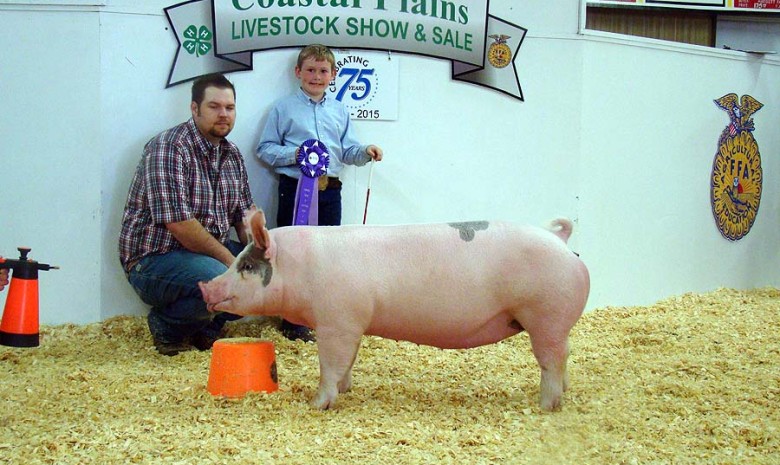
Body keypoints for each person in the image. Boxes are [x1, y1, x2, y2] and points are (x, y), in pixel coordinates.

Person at [119, 73, 255, 356]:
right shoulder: (169, 147)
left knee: (261, 274)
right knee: (225, 279)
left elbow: (243, 217)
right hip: (153, 260)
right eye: (214, 107)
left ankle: (204, 330)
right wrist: (234, 263)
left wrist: (258, 252)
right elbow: (181, 225)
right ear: (195, 109)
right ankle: (168, 325)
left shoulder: (232, 155)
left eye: (229, 108)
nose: (223, 114)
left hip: (202, 256)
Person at [257, 44, 383, 342]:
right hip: (296, 189)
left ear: (334, 75)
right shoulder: (283, 108)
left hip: (331, 192)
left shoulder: (340, 110)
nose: (316, 76)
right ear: (297, 72)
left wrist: (365, 151)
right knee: (292, 255)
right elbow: (265, 149)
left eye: (323, 71)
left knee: (329, 255)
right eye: (310, 70)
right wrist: (297, 154)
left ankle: (322, 312)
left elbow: (347, 150)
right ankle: (292, 320)